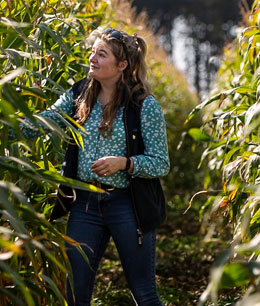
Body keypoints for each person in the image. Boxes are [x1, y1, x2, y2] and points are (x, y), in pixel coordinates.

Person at [17, 27, 170, 306]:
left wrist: (124, 163)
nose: (92, 58)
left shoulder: (144, 106)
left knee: (144, 293)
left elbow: (161, 163)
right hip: (85, 205)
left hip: (127, 206)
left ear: (122, 65)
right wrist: (0, 125)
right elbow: (46, 120)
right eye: (93, 52)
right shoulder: (78, 95)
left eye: (102, 54)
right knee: (75, 294)